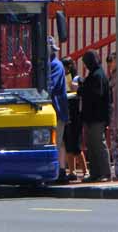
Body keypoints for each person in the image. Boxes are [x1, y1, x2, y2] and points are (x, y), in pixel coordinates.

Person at [79, 49, 112, 182]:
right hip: (91, 117)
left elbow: (95, 95)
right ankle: (95, 173)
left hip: (97, 118)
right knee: (92, 147)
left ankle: (105, 173)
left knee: (99, 145)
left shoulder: (98, 75)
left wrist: (82, 89)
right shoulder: (94, 74)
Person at [62, 56, 87, 181]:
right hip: (66, 113)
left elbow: (81, 93)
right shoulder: (61, 78)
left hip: (75, 114)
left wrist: (75, 87)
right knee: (68, 144)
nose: (64, 69)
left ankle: (85, 171)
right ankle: (71, 171)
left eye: (65, 67)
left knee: (76, 145)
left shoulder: (77, 79)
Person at [48, 37, 69, 183]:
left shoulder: (55, 65)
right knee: (59, 142)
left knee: (57, 141)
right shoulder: (53, 64)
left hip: (57, 108)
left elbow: (50, 86)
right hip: (57, 108)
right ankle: (60, 171)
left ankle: (59, 172)